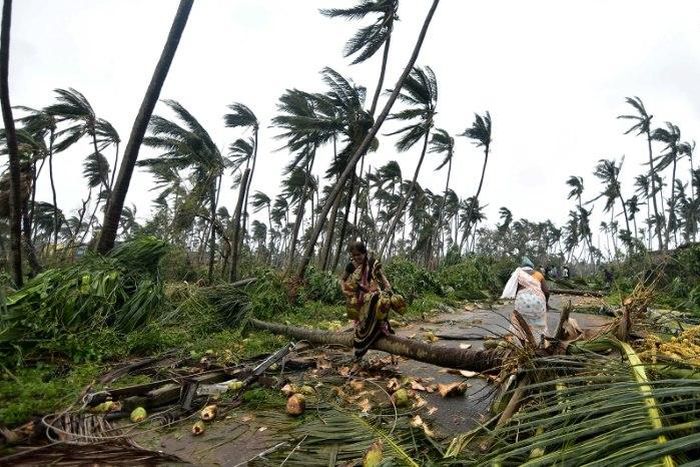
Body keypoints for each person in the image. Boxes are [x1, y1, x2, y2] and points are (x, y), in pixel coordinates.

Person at [341, 241, 396, 357]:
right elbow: (343, 279)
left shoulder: (372, 263)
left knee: (379, 317)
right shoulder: (350, 266)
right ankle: (359, 355)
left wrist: (389, 288)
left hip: (374, 297)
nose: (356, 258)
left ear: (364, 253)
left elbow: (382, 276)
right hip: (359, 300)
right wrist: (344, 289)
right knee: (361, 327)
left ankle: (387, 344)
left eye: (359, 255)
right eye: (354, 255)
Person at [500, 256, 550, 342]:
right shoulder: (538, 274)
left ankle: (519, 342)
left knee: (519, 322)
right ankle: (539, 341)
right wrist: (546, 303)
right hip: (538, 302)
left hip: (522, 301)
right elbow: (546, 292)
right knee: (539, 323)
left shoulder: (517, 274)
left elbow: (513, 289)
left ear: (522, 266)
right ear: (531, 266)